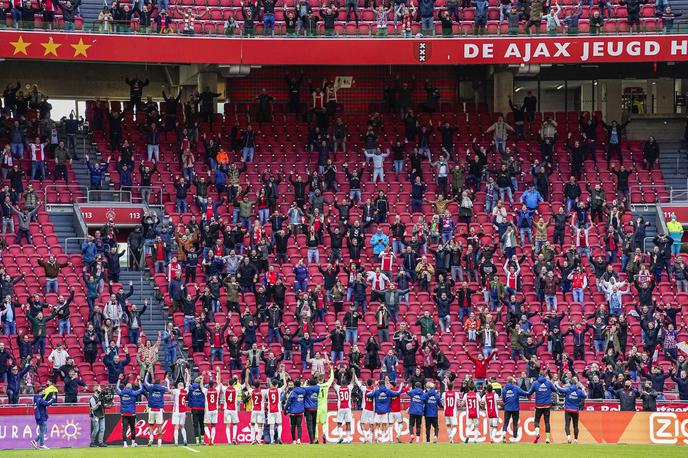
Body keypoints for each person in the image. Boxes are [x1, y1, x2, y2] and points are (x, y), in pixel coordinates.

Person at [555, 378, 587, 444]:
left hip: (568, 410)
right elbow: (585, 396)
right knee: (575, 425)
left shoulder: (568, 390)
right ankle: (576, 439)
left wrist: (556, 384)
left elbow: (560, 389)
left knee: (567, 424)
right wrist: (583, 389)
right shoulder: (579, 391)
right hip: (575, 410)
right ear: (576, 384)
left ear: (570, 383)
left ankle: (569, 437)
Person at [115, 375, 144, 448]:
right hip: (132, 414)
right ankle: (133, 443)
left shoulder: (121, 393)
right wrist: (139, 380)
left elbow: (117, 388)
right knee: (132, 428)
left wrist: (119, 379)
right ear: (131, 387)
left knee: (124, 429)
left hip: (124, 414)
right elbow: (141, 389)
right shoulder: (133, 393)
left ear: (125, 387)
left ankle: (125, 444)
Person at [528, 372, 557, 443]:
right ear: (545, 376)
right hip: (547, 405)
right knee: (547, 422)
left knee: (536, 421)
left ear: (539, 375)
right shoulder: (549, 383)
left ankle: (537, 433)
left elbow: (529, 393)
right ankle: (547, 439)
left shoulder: (535, 383)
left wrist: (528, 396)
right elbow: (555, 390)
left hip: (538, 405)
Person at [142, 372, 167, 447]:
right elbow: (166, 387)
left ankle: (151, 439)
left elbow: (145, 382)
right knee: (159, 426)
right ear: (159, 382)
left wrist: (147, 374)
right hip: (159, 409)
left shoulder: (151, 387)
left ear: (154, 382)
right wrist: (166, 379)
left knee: (151, 425)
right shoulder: (162, 388)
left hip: (152, 409)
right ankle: (159, 443)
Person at [501, 376, 529, 443]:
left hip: (507, 408)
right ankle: (514, 438)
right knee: (515, 423)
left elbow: (503, 399)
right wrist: (530, 393)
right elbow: (524, 393)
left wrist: (507, 403)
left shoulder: (504, 389)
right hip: (515, 408)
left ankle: (504, 435)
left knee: (505, 423)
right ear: (512, 381)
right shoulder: (516, 388)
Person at [334, 368, 357, 443]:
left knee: (339, 423)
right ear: (346, 383)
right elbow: (353, 381)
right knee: (348, 423)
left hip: (340, 408)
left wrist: (331, 371)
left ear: (340, 383)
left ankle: (340, 437)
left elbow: (332, 382)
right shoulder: (349, 387)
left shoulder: (338, 388)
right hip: (348, 408)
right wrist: (353, 372)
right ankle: (348, 438)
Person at [31, 385, 56, 450]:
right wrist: (53, 398)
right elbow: (47, 403)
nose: (45, 392)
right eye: (43, 391)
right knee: (42, 431)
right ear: (40, 392)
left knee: (44, 431)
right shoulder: (40, 399)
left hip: (41, 417)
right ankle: (41, 444)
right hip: (41, 417)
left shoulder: (37, 399)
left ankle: (35, 441)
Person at [170, 371, 190, 446]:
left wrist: (167, 382)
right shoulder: (186, 391)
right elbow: (188, 382)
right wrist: (187, 373)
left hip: (177, 411)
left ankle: (176, 442)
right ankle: (185, 440)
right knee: (182, 426)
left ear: (178, 386)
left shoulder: (176, 391)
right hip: (183, 411)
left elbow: (169, 390)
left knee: (176, 427)